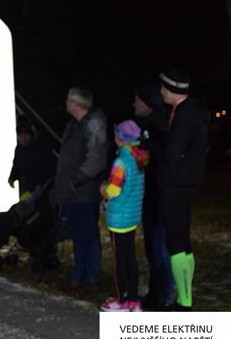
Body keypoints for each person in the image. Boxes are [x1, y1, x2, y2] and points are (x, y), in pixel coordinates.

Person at [158, 69, 209, 310]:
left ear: (172, 89)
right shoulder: (192, 110)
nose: (160, 91)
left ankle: (184, 303)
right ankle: (184, 299)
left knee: (176, 243)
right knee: (183, 243)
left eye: (163, 87)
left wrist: (155, 149)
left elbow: (173, 151)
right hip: (187, 183)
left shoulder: (184, 114)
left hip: (176, 185)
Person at [54, 87, 107, 294]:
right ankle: (79, 276)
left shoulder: (93, 124)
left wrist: (75, 181)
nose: (66, 103)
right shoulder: (73, 125)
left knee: (89, 236)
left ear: (76, 104)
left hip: (85, 192)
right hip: (73, 193)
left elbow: (96, 160)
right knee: (77, 235)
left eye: (69, 100)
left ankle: (91, 278)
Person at [99, 120, 148, 312]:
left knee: (120, 260)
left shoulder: (121, 162)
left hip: (119, 218)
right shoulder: (138, 159)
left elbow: (113, 190)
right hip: (132, 216)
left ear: (120, 138)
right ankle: (134, 300)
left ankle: (121, 300)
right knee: (130, 258)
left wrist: (103, 189)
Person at [133, 84, 173, 310]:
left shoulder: (159, 128)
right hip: (149, 194)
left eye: (137, 100)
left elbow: (160, 161)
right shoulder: (145, 126)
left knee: (158, 246)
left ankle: (164, 294)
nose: (134, 104)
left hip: (158, 195)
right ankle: (156, 291)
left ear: (148, 104)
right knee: (152, 246)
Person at [8, 115, 56, 197]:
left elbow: (51, 168)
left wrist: (42, 184)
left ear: (31, 134)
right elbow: (16, 165)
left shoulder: (42, 147)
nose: (23, 138)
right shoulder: (19, 149)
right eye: (20, 136)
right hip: (28, 189)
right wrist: (12, 177)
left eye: (26, 135)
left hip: (44, 190)